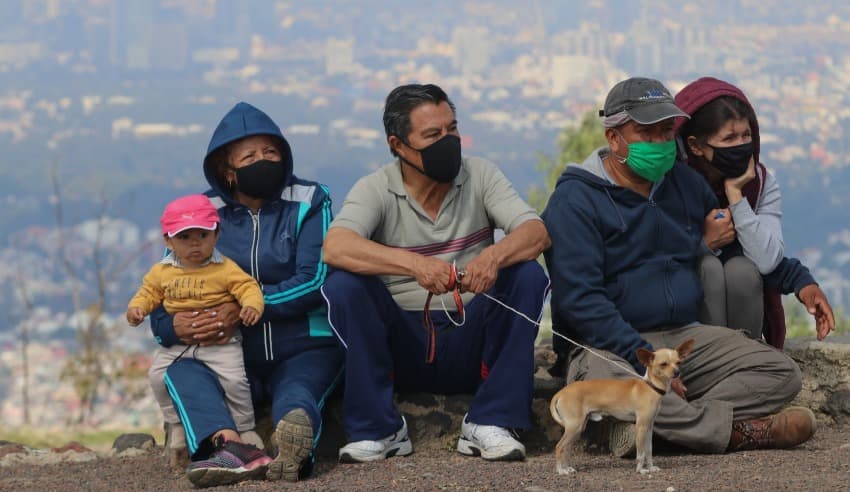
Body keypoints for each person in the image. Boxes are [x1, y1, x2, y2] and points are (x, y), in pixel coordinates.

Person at [542, 77, 817, 458]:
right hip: (612, 346)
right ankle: (737, 433)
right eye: (646, 133)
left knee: (781, 373)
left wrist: (800, 282)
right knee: (606, 380)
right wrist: (643, 355)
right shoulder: (575, 200)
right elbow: (580, 302)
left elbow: (740, 248)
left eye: (665, 132)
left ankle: (654, 426)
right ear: (614, 138)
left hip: (684, 335)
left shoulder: (684, 186)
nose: (659, 143)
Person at [321, 83, 550, 463]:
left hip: (471, 335)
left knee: (526, 274)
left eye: (452, 129)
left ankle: (491, 421)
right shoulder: (376, 188)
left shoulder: (480, 175)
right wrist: (413, 264)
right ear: (398, 145)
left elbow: (535, 232)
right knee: (344, 285)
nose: (449, 141)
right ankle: (379, 429)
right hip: (403, 344)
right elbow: (336, 247)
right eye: (432, 135)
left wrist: (493, 257)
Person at [150, 102, 344, 487]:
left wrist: (246, 307)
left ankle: (294, 444)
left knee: (298, 391)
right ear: (228, 171)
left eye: (271, 152)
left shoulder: (310, 199)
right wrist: (173, 326)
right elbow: (163, 290)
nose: (263, 161)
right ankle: (230, 447)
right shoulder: (201, 214)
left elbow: (315, 278)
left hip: (307, 343)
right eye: (250, 156)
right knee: (182, 368)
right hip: (231, 353)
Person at [675, 76, 835, 345]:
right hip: (681, 329)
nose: (740, 145)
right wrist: (704, 244)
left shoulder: (760, 184)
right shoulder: (672, 184)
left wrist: (737, 198)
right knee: (709, 269)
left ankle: (745, 357)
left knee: (741, 270)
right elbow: (653, 261)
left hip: (743, 317)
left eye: (746, 135)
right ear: (695, 146)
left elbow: (766, 260)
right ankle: (710, 358)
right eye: (729, 138)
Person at [127, 194, 266, 475]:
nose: (194, 243)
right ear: (168, 240)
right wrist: (136, 310)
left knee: (236, 383)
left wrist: (251, 306)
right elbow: (149, 293)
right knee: (157, 377)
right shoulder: (162, 271)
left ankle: (246, 430)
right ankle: (175, 423)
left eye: (202, 235)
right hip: (179, 344)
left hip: (220, 343)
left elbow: (247, 287)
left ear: (215, 235)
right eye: (184, 237)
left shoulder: (224, 268)